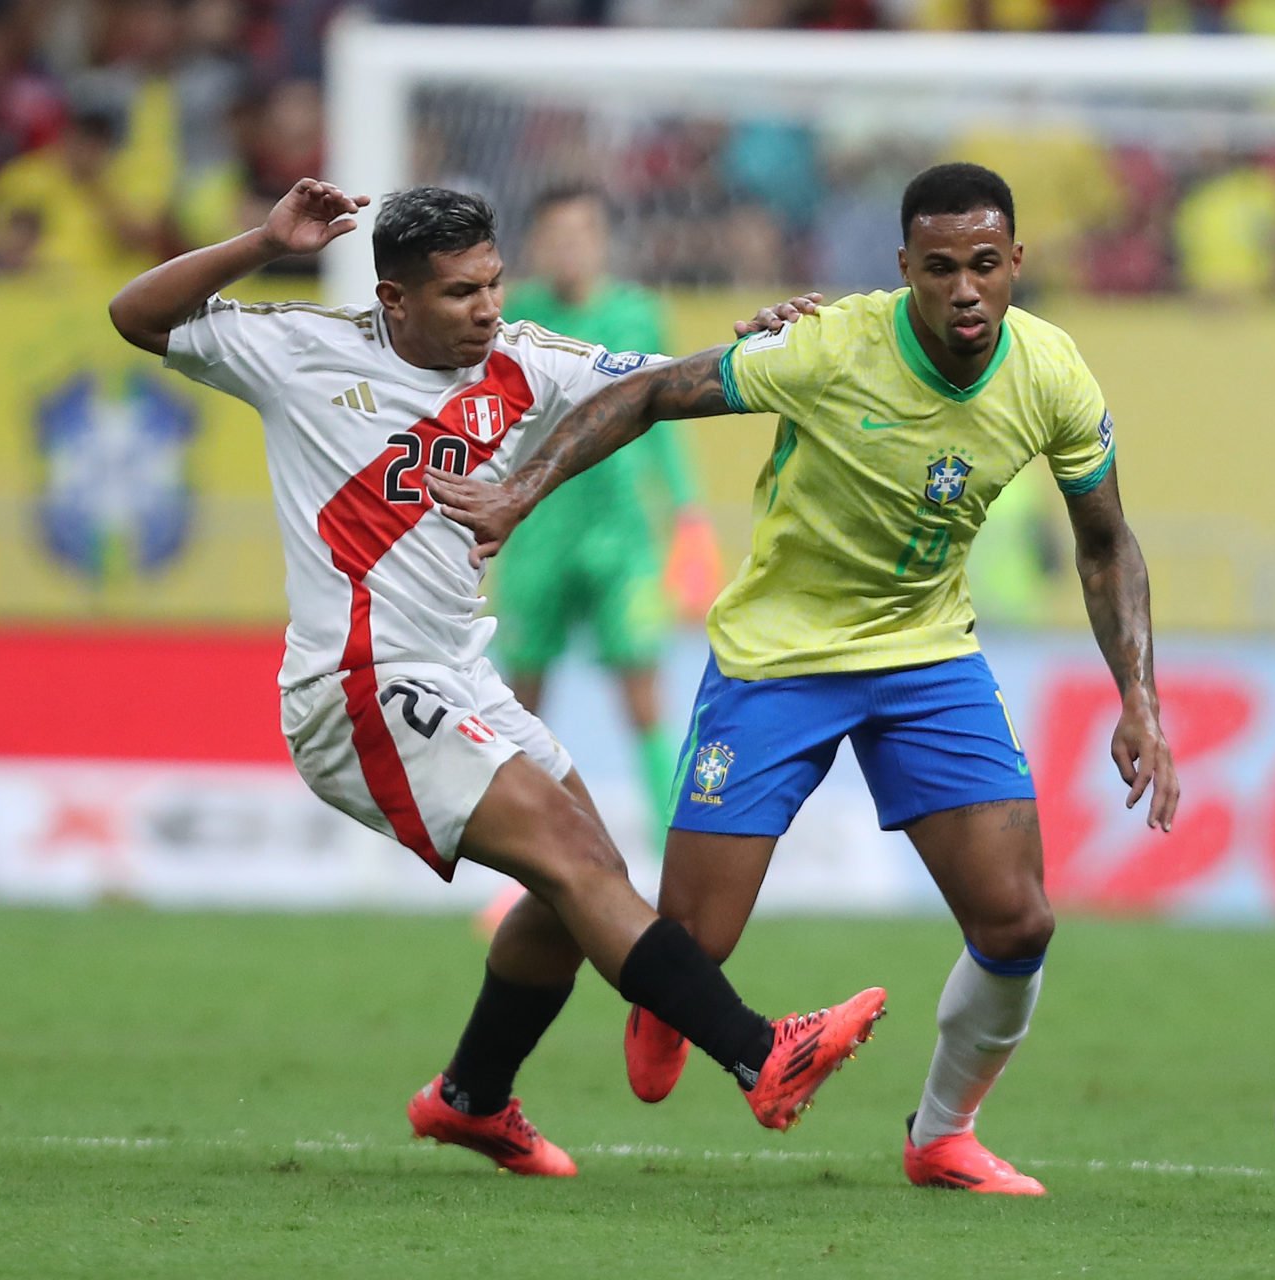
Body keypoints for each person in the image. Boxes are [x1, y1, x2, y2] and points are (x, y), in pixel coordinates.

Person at [106, 179, 886, 1179]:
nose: (487, 309)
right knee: (574, 859)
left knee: (580, 885)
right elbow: (135, 315)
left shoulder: (526, 358)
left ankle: (472, 1098)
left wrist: (775, 341)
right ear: (393, 299)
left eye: (493, 282)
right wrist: (266, 240)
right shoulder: (299, 352)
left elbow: (670, 383)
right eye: (459, 293)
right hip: (358, 682)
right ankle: (757, 1050)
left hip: (455, 671)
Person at [428, 162, 1179, 1196]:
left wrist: (1138, 691)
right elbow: (649, 391)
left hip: (924, 655)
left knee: (1019, 920)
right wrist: (517, 490)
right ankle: (650, 1005)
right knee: (691, 944)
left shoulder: (1052, 372)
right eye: (942, 268)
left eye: (988, 265)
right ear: (904, 268)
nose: (967, 290)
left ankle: (942, 1133)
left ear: (1019, 264)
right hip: (777, 658)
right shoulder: (829, 345)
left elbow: (1105, 542)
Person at [491, 186, 718, 841]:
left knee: (641, 688)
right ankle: (514, 831)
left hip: (621, 534)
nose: (569, 248)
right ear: (535, 245)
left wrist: (688, 512)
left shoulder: (638, 313)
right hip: (539, 525)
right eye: (556, 236)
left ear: (601, 241)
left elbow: (669, 419)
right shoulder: (515, 317)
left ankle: (669, 835)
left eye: (581, 234)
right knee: (521, 693)